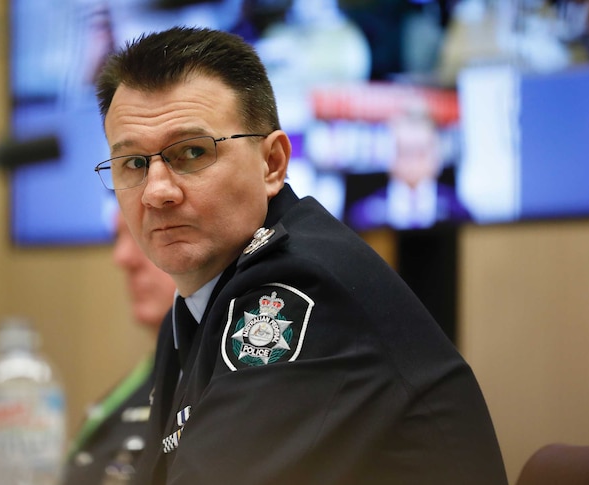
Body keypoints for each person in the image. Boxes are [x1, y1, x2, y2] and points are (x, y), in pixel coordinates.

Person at [93, 26, 507, 484]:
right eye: (133, 163)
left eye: (191, 152)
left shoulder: (299, 287)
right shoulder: (196, 308)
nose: (156, 191)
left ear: (272, 164)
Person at [62, 214, 177, 485]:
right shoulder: (149, 373)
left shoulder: (222, 380)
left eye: (150, 231)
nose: (122, 257)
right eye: (119, 237)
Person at [346, 102, 472, 231]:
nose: (412, 162)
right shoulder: (365, 215)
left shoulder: (458, 212)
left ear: (437, 156)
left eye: (420, 152)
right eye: (404, 151)